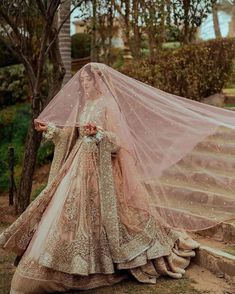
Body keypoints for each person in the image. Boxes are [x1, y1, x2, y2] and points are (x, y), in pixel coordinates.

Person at [1, 62, 234, 293]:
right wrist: (50, 129)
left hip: (100, 168)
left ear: (98, 81)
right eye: (82, 81)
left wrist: (99, 134)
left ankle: (103, 260)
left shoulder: (108, 104)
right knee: (71, 211)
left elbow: (118, 142)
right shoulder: (86, 105)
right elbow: (72, 135)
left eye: (88, 80)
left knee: (100, 215)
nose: (84, 84)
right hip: (78, 165)